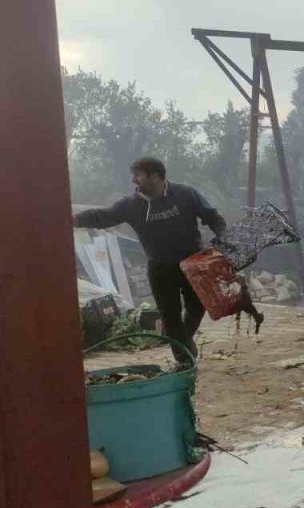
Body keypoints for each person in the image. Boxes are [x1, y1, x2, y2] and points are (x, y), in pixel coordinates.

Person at [74, 157, 226, 367]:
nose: (134, 181)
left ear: (156, 176)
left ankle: (183, 341)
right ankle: (184, 360)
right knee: (169, 315)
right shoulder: (131, 205)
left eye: (138, 175)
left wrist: (224, 237)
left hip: (193, 265)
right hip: (160, 268)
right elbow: (103, 216)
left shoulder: (186, 194)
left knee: (197, 307)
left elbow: (212, 216)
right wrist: (74, 220)